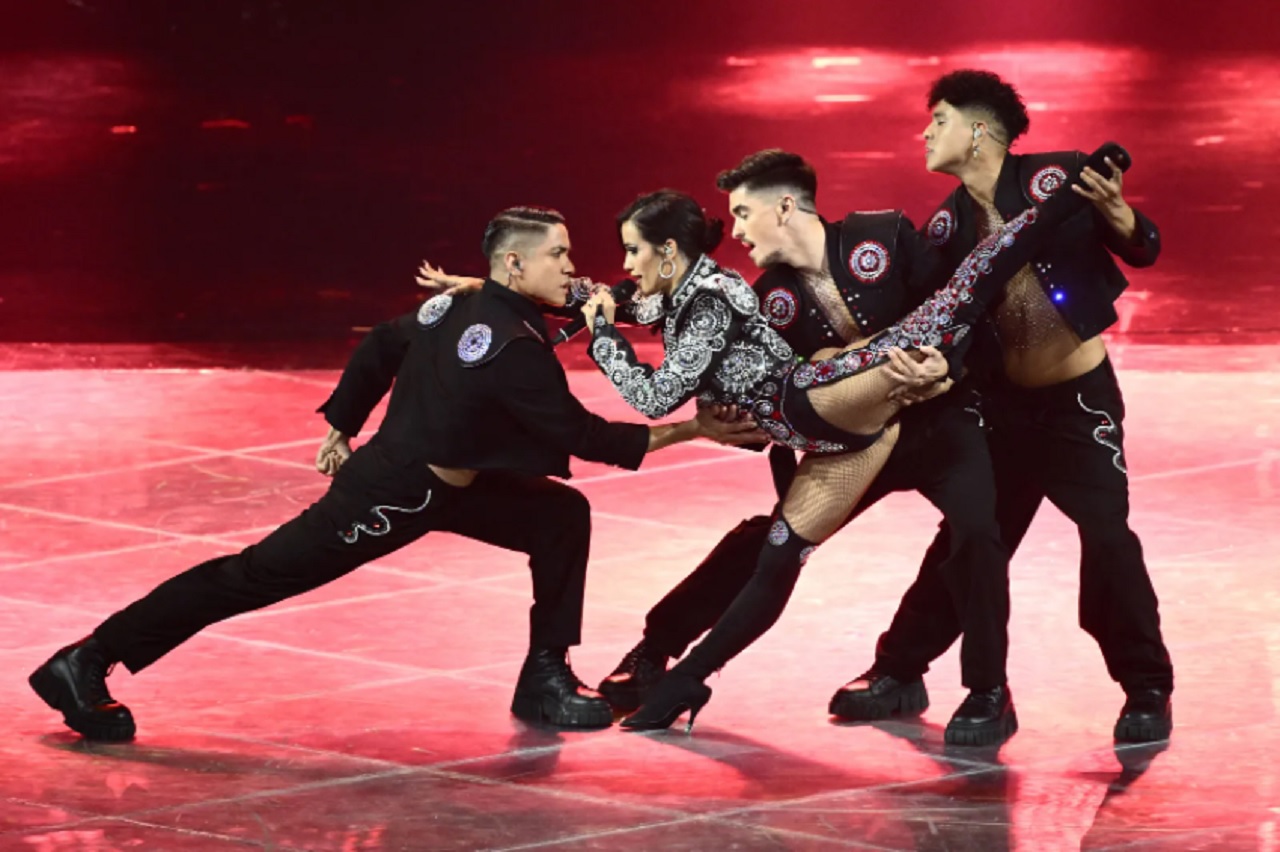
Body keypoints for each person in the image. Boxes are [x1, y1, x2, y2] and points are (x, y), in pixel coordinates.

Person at [27, 206, 762, 741]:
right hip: (398, 492)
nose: (574, 270)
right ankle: (88, 660)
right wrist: (696, 426)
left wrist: (341, 423)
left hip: (454, 485)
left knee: (559, 518)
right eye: (561, 257)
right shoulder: (513, 348)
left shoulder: (463, 303)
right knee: (252, 576)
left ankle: (545, 674)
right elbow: (588, 436)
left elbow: (383, 342)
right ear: (516, 265)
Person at [582, 141, 1124, 731]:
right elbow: (756, 397)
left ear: (785, 207)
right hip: (855, 444)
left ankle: (986, 691)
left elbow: (962, 303)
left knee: (977, 535)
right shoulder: (767, 300)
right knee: (768, 544)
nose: (732, 231)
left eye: (741, 212)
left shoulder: (882, 235)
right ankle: (658, 648)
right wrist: (717, 427)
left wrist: (945, 369)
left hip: (940, 424)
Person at [833, 69, 1174, 743]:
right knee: (968, 538)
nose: (924, 133)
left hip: (1079, 405)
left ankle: (1147, 687)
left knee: (1107, 536)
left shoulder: (1059, 179)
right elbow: (943, 320)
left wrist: (1120, 216)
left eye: (937, 120)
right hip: (1001, 410)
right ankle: (899, 668)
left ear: (978, 128)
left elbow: (1146, 247)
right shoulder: (943, 227)